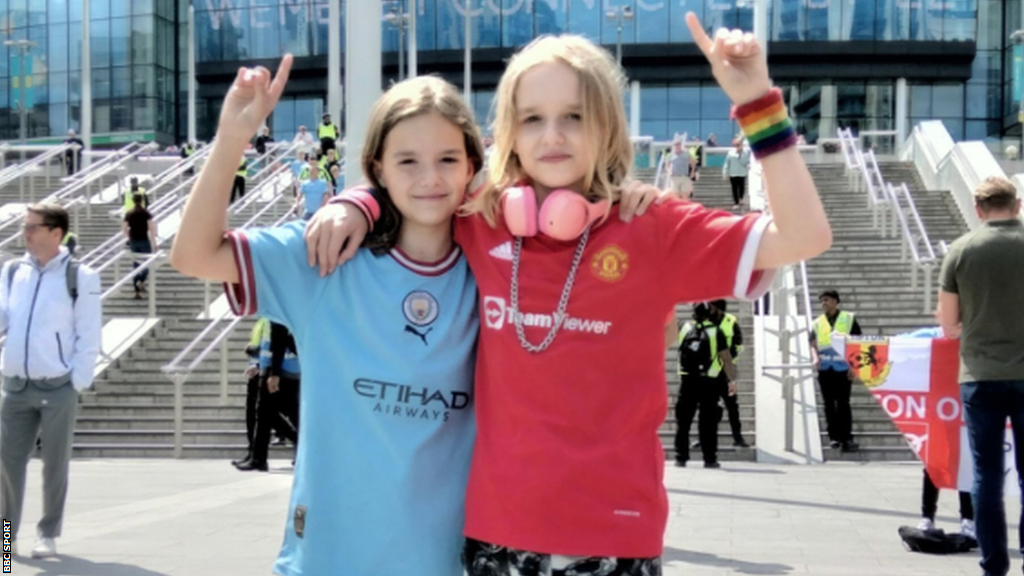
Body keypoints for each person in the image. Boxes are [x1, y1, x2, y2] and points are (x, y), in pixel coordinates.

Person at [306, 13, 832, 572]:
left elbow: (804, 236)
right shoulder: (482, 216)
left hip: (615, 537)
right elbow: (417, 177)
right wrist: (355, 202)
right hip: (497, 535)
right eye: (532, 119)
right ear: (510, 131)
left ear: (606, 124)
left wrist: (757, 103)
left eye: (574, 117)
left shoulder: (656, 229)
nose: (552, 136)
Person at [169, 60, 486, 575]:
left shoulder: (493, 271)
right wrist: (232, 138)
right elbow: (193, 255)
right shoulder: (325, 257)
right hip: (325, 560)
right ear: (377, 167)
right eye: (407, 161)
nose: (430, 178)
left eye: (448, 158)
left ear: (473, 165)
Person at [0, 203, 102, 558]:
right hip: (14, 385)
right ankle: (6, 540)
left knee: (54, 465)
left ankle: (47, 532)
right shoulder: (13, 271)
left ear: (55, 233)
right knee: (7, 467)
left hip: (57, 385)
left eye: (32, 227)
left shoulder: (80, 276)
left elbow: (89, 334)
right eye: (24, 226)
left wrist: (78, 380)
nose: (24, 232)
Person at [938, 176, 1024, 576]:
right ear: (1017, 205)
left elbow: (948, 324)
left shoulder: (961, 250)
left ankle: (994, 566)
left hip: (979, 376)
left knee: (987, 475)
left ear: (978, 209)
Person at [236, 321, 300, 472]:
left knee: (269, 414)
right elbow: (269, 345)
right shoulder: (273, 315)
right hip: (278, 369)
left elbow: (279, 343)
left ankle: (259, 459)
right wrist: (259, 366)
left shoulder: (277, 314)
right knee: (269, 413)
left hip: (280, 370)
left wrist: (274, 373)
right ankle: (259, 458)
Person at [675, 303, 732, 468]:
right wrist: (732, 380)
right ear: (709, 314)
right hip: (709, 382)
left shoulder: (684, 327)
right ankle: (709, 459)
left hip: (687, 381)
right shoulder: (716, 331)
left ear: (693, 313)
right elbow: (726, 357)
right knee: (708, 423)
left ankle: (681, 457)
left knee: (683, 421)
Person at [810, 289, 862, 453]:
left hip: (843, 368)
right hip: (825, 369)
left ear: (835, 301)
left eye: (827, 300)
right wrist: (815, 358)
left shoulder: (848, 318)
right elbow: (812, 342)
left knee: (843, 404)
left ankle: (847, 438)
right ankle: (834, 437)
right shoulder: (817, 322)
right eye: (822, 301)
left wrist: (855, 367)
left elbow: (858, 343)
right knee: (828, 404)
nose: (824, 303)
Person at [708, 299, 748, 447]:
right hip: (710, 371)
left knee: (732, 406)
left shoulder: (731, 321)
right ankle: (706, 437)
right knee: (708, 407)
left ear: (718, 308)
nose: (709, 308)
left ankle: (738, 438)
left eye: (711, 305)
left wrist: (728, 358)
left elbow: (738, 344)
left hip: (726, 371)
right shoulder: (706, 320)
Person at [123, 194, 158, 299]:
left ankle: (136, 291)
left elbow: (124, 228)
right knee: (147, 263)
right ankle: (141, 281)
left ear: (133, 201)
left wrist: (128, 237)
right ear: (142, 200)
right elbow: (151, 228)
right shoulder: (145, 212)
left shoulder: (129, 213)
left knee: (136, 264)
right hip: (144, 240)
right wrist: (154, 242)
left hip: (133, 241)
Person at [722, 137, 751, 210]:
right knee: (734, 189)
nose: (738, 147)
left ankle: (741, 198)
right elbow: (726, 163)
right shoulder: (731, 153)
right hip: (733, 173)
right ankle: (736, 202)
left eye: (739, 145)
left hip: (742, 173)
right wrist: (725, 173)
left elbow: (747, 162)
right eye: (737, 145)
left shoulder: (746, 153)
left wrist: (748, 165)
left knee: (742, 188)